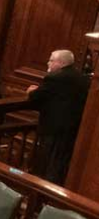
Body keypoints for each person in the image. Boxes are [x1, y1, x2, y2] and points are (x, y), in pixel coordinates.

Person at [26, 49, 90, 182]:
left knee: (48, 162)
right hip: (73, 128)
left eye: (51, 60)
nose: (48, 63)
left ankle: (40, 190)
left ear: (61, 63)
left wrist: (31, 91)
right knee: (60, 163)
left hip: (53, 128)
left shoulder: (54, 78)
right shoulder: (82, 78)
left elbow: (37, 98)